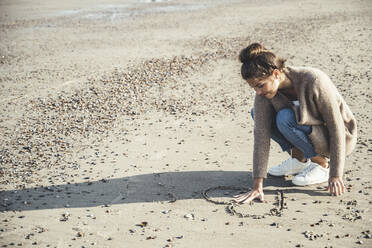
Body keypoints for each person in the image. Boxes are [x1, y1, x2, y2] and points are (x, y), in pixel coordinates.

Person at [233, 43, 357, 204]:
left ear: (276, 74)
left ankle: (321, 165)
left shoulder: (314, 80)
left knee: (285, 118)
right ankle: (299, 160)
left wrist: (335, 174)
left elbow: (337, 126)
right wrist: (257, 185)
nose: (258, 92)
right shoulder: (263, 95)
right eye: (253, 88)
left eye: (260, 85)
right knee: (256, 113)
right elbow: (261, 136)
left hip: (340, 138)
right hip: (310, 132)